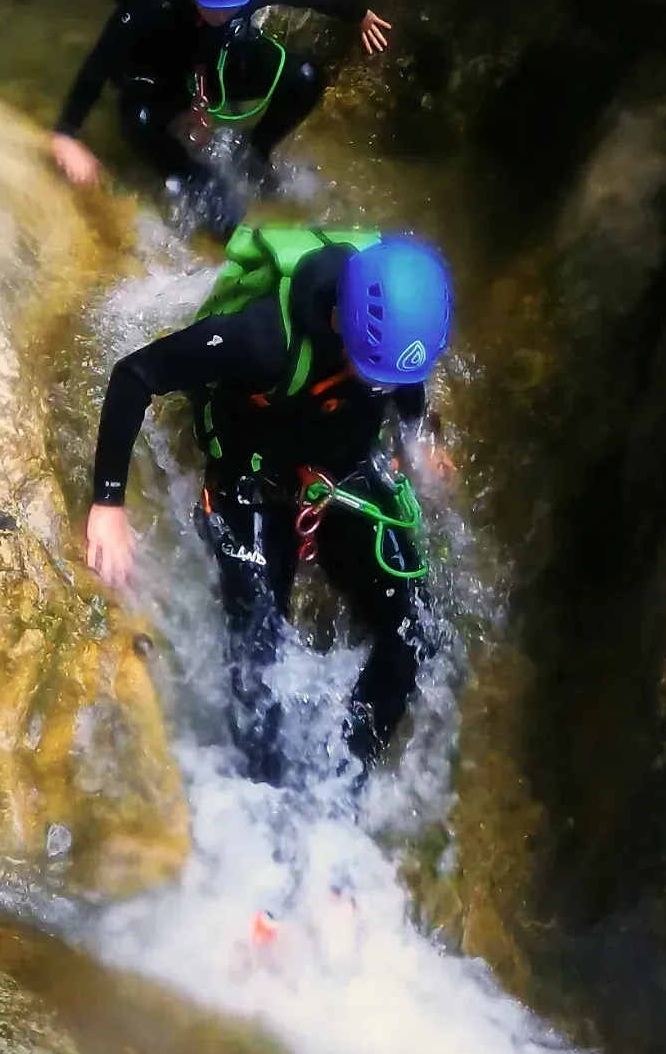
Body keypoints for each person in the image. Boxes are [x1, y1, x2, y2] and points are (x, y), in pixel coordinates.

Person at [85, 226, 454, 782]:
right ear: (339, 321)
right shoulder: (260, 339)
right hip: (254, 485)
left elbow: (403, 384)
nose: (378, 385)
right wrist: (107, 504)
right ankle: (266, 795)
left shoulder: (385, 343)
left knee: (416, 633)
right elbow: (136, 374)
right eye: (370, 371)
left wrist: (421, 440)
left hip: (340, 477)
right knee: (258, 658)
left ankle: (344, 787)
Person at [50, 0, 392, 236]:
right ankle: (190, 176)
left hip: (217, 63)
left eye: (230, 7)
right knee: (138, 120)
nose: (222, 14)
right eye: (212, 7)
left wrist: (358, 14)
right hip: (159, 71)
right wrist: (67, 132)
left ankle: (254, 151)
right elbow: (103, 59)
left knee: (306, 76)